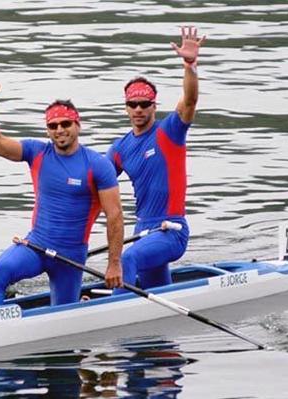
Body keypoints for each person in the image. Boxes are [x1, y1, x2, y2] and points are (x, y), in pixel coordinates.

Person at [0, 86, 124, 306]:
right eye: (53, 126)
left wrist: (114, 263)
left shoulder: (98, 165)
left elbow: (115, 215)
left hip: (70, 257)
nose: (59, 130)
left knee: (64, 313)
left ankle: (78, 304)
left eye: (66, 124)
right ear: (47, 130)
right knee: (1, 269)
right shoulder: (36, 152)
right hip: (36, 246)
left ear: (78, 125)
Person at [106, 26, 205, 290]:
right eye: (133, 105)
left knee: (126, 258)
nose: (138, 109)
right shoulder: (120, 148)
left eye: (144, 104)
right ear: (126, 108)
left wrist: (190, 64)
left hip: (171, 231)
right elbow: (95, 184)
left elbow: (191, 100)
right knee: (155, 293)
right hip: (143, 232)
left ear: (154, 106)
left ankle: (115, 319)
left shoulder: (169, 131)